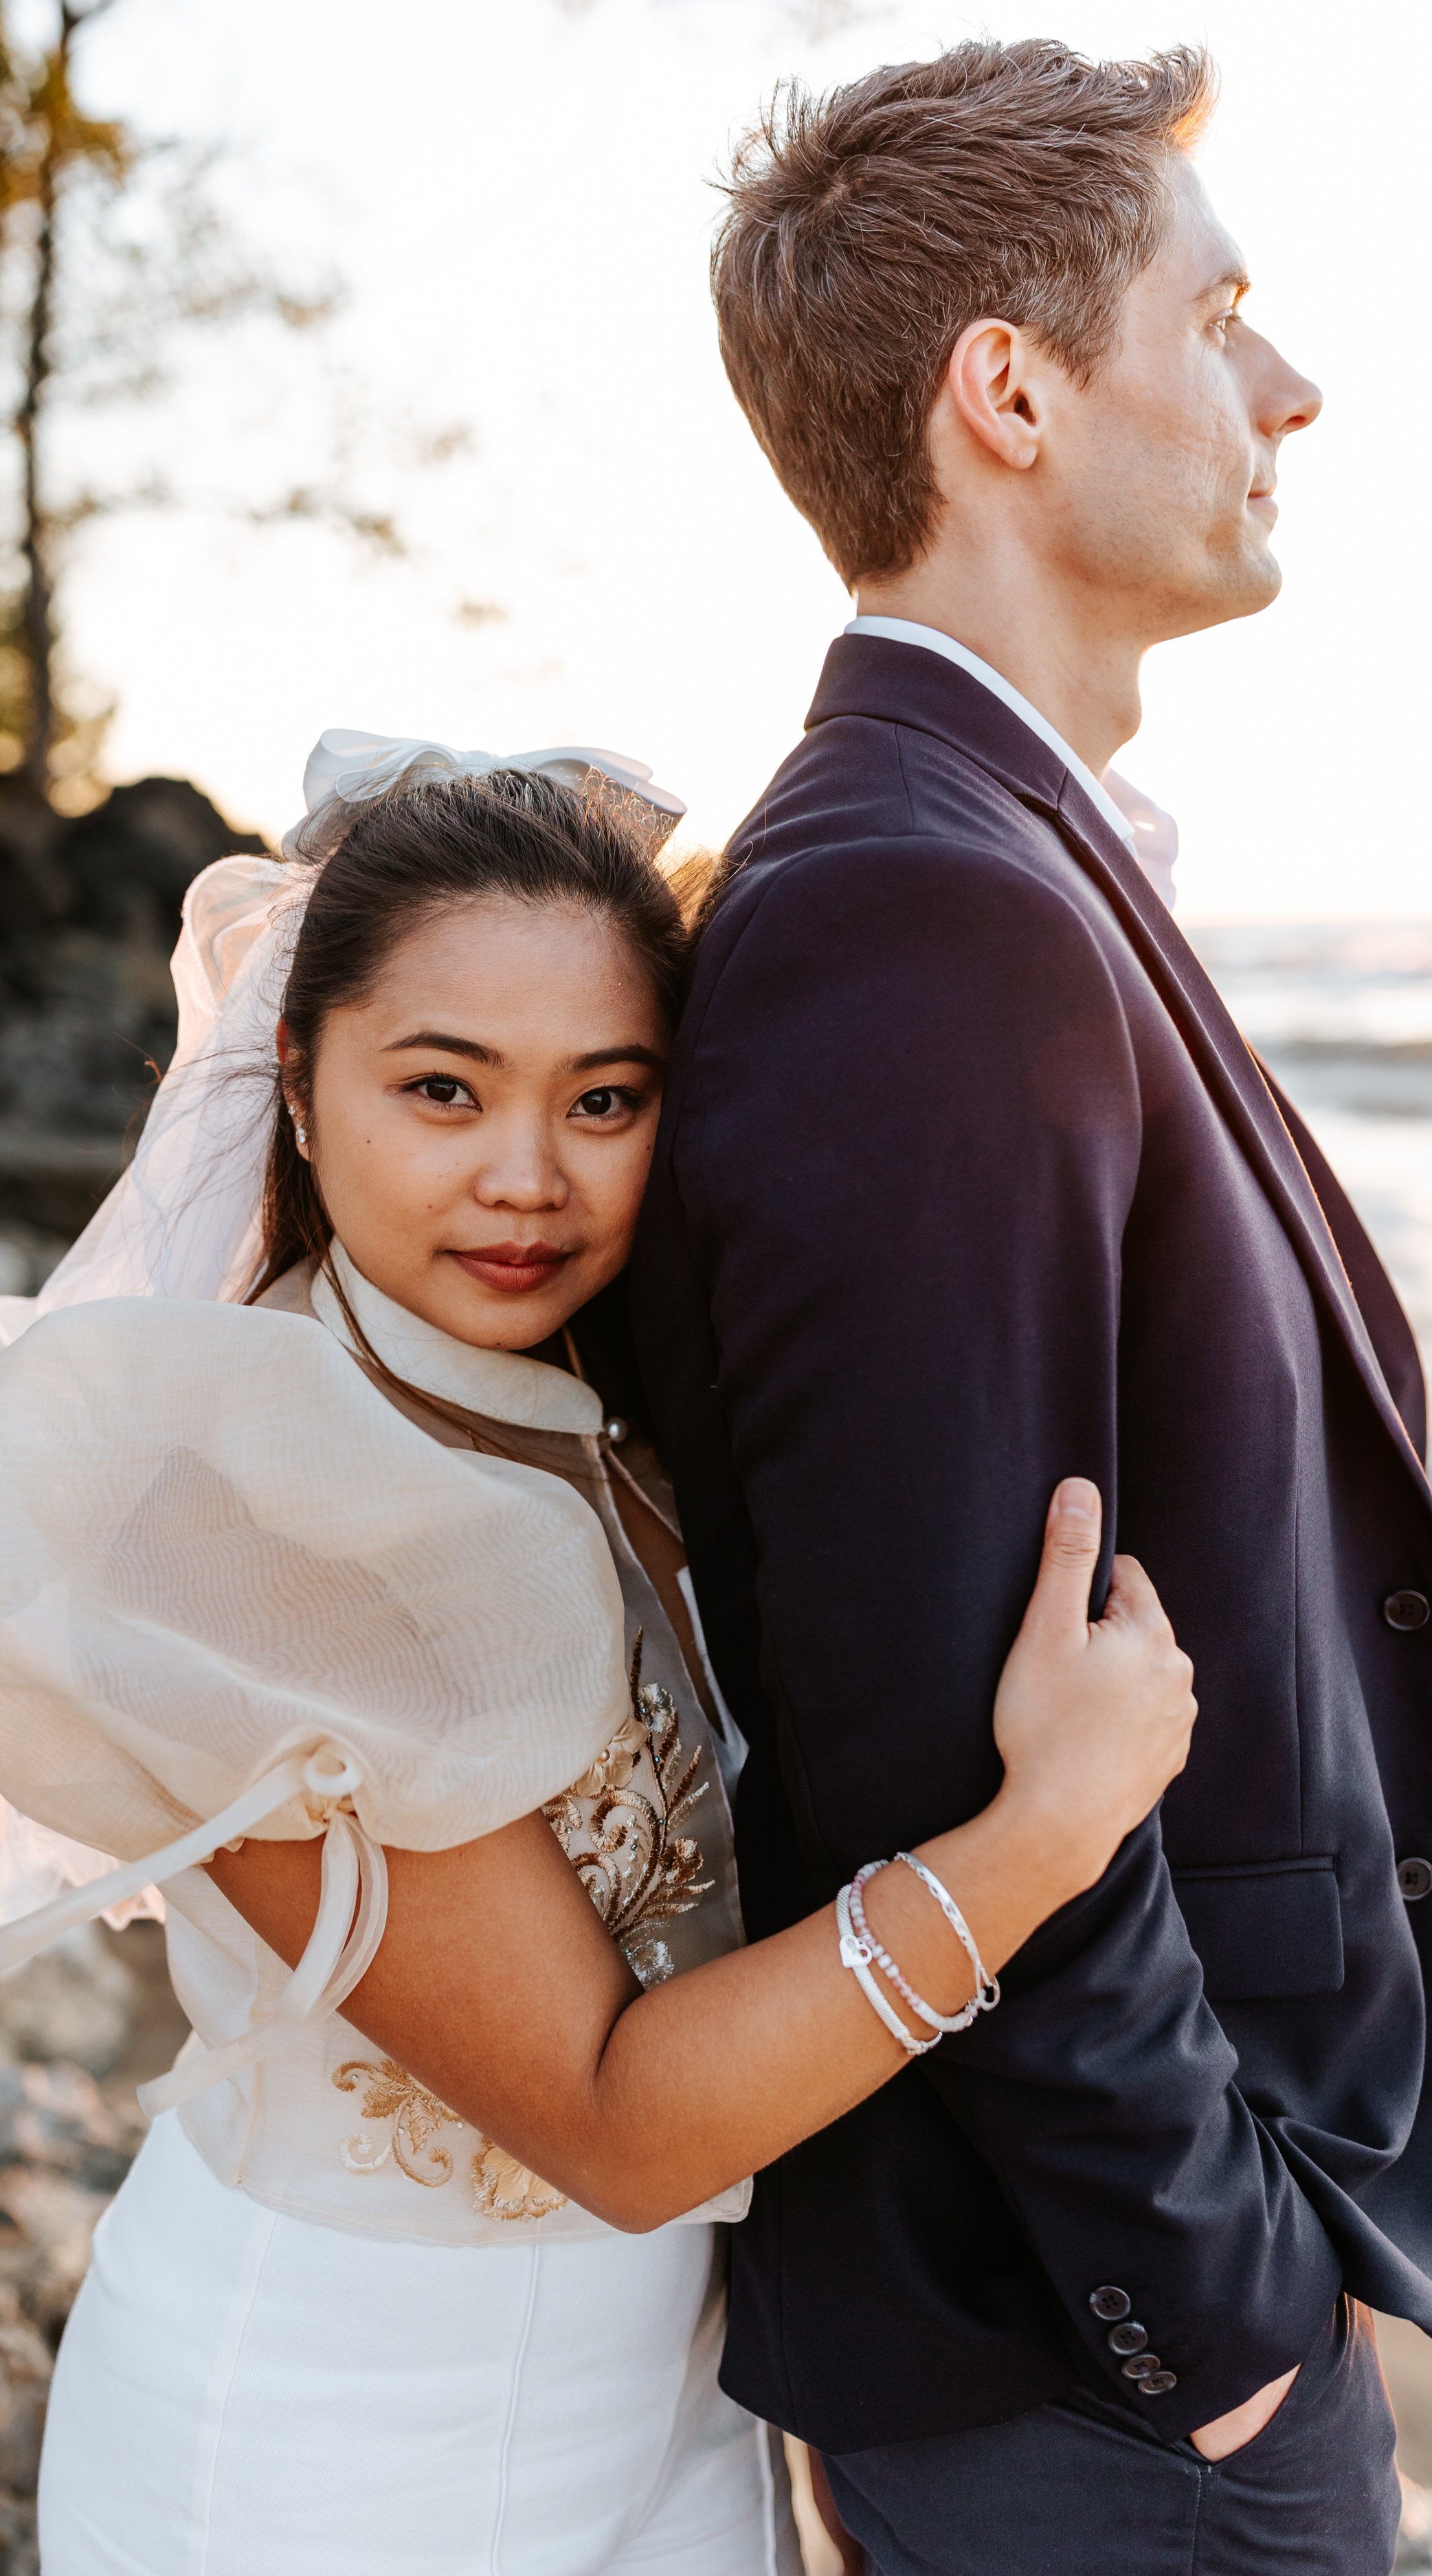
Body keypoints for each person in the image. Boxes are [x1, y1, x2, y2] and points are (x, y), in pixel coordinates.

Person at [0, 735, 1198, 2576]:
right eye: (442, 1089)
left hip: (671, 2397)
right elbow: (608, 2119)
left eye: (608, 1099)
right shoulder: (227, 1520)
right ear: (293, 1078)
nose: (528, 1178)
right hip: (333, 2439)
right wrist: (1041, 1841)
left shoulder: (602, 1409)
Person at [630, 38, 1431, 2575]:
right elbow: (915, 1734)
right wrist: (1211, 2338)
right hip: (1084, 2358)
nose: (1290, 386)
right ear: (1007, 392)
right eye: (1219, 320)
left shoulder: (993, 854)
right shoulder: (919, 908)